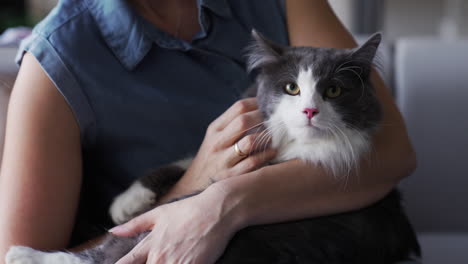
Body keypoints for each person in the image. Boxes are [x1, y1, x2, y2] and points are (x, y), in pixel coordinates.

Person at [0, 0, 416, 263]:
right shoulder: (56, 58)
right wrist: (190, 188)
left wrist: (224, 203)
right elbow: (20, 260)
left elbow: (394, 152)